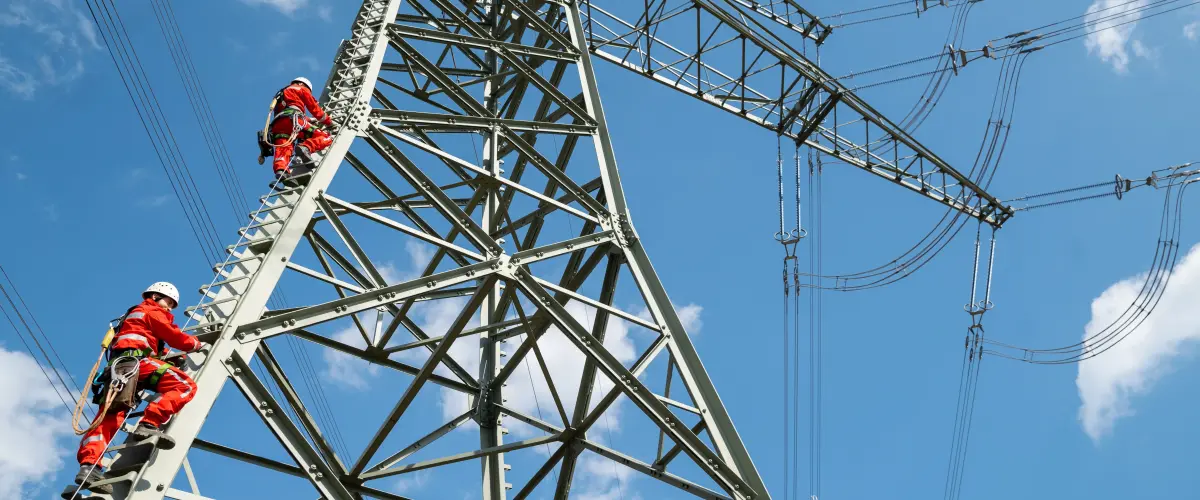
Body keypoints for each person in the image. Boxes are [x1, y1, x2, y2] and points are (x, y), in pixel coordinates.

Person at [73, 282, 205, 492]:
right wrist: (196, 344)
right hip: (137, 365)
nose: (169, 308)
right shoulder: (150, 310)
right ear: (154, 296)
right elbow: (174, 336)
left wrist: (167, 359)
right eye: (168, 302)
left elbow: (143, 340)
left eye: (172, 305)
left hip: (119, 369)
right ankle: (149, 423)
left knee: (109, 418)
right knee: (185, 386)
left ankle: (88, 468)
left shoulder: (134, 317)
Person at [268, 76, 335, 183]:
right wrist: (328, 122)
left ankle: (282, 172)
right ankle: (306, 147)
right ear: (302, 84)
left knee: (283, 148)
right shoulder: (300, 89)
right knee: (326, 137)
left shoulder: (282, 93)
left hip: (278, 125)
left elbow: (289, 108)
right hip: (294, 121)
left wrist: (308, 120)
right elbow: (314, 108)